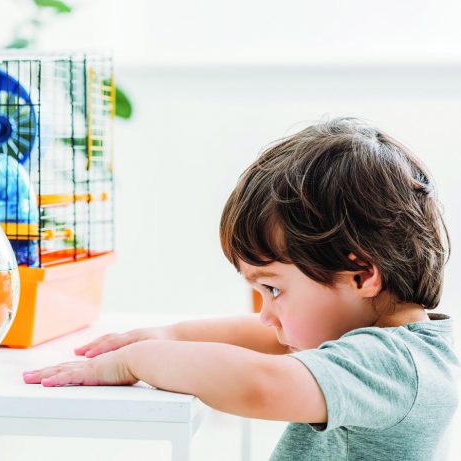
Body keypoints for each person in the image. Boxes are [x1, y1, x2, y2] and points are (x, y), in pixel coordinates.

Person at [23, 118, 460, 459]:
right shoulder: (396, 341)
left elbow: (259, 384)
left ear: (361, 275)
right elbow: (266, 335)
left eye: (272, 289)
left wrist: (137, 361)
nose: (266, 314)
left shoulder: (393, 365)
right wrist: (170, 336)